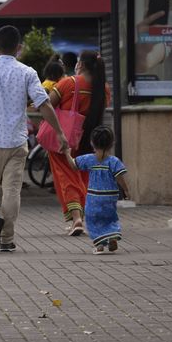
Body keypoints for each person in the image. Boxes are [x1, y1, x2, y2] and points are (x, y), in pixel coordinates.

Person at [0, 25, 68, 252]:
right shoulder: (27, 72)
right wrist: (59, 132)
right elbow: (44, 104)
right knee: (11, 190)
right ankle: (7, 239)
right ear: (19, 47)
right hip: (17, 142)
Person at [48, 50, 111, 234]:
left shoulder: (69, 83)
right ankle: (84, 217)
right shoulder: (104, 88)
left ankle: (76, 219)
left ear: (81, 64)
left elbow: (47, 105)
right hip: (89, 139)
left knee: (67, 176)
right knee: (84, 177)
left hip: (65, 139)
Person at [64, 125, 130, 254]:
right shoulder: (114, 161)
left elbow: (73, 165)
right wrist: (126, 190)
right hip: (110, 197)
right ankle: (112, 236)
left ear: (92, 143)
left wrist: (67, 153)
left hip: (94, 197)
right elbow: (120, 178)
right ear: (112, 143)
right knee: (110, 217)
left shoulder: (89, 159)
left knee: (93, 219)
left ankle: (99, 245)